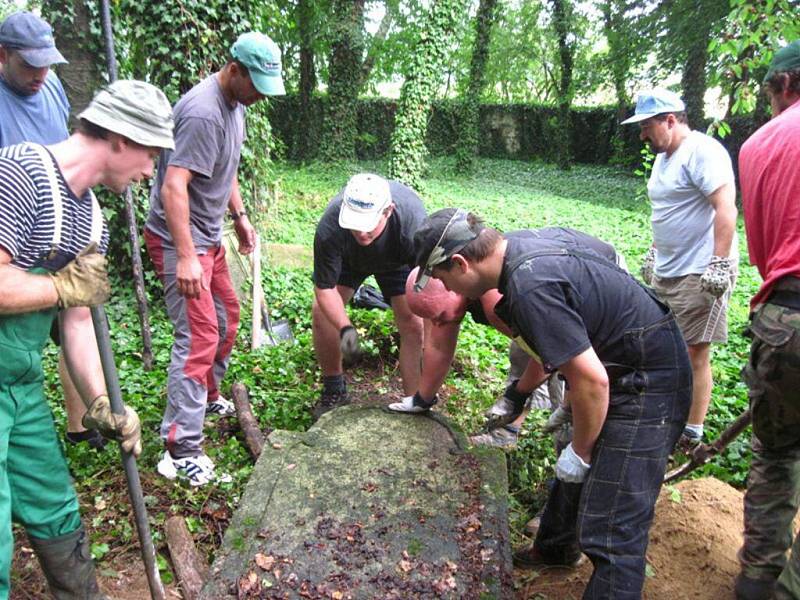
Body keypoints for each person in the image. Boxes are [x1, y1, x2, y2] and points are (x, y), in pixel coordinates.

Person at [413, 208, 691, 599]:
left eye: (444, 279)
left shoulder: (528, 286)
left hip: (648, 380)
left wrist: (580, 448)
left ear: (460, 262)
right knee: (576, 466)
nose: (452, 291)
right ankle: (556, 549)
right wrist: (527, 396)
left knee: (612, 528)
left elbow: (592, 380)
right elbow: (565, 349)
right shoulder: (518, 251)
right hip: (619, 360)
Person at [0, 79, 171, 599]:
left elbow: (76, 322)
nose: (149, 173)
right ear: (119, 138)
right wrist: (58, 284)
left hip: (20, 383)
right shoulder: (19, 172)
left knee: (53, 503)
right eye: (150, 154)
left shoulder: (89, 216)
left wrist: (99, 401)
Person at [145, 31, 285, 486]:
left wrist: (240, 218)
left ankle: (206, 395)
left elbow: (224, 170)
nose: (262, 96)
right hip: (179, 242)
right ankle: (179, 447)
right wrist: (186, 257)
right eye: (257, 84)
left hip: (210, 238)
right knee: (200, 334)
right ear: (234, 69)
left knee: (227, 315)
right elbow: (173, 185)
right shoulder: (203, 112)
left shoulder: (237, 106)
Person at [391, 227, 625, 452]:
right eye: (432, 320)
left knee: (573, 384)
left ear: (451, 286)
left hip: (601, 281)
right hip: (548, 285)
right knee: (522, 354)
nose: (438, 324)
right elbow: (439, 347)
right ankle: (510, 430)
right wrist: (422, 398)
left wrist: (518, 395)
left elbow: (551, 356)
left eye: (439, 316)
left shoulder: (501, 298)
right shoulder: (450, 283)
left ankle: (574, 450)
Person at [0, 10, 106, 450]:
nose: (41, 74)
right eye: (30, 64)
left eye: (47, 63)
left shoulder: (52, 86)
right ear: (1, 55)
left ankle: (82, 424)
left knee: (77, 321)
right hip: (11, 228)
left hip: (58, 223)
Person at [621, 88, 737, 449]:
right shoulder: (664, 157)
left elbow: (726, 208)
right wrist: (655, 252)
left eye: (646, 127)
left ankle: (691, 429)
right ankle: (662, 411)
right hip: (669, 270)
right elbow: (668, 211)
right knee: (661, 345)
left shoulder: (703, 151)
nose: (642, 135)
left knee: (693, 351)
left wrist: (717, 263)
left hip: (699, 270)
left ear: (670, 120)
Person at [734, 40, 800, 600]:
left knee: (776, 453)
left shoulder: (756, 145)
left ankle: (757, 579)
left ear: (782, 85)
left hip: (784, 315)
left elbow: (761, 251)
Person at [311, 172, 425, 418]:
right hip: (350, 260)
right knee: (322, 313)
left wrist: (419, 301)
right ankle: (334, 389)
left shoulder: (412, 224)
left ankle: (414, 400)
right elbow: (325, 288)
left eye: (369, 225)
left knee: (413, 323)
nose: (362, 233)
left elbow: (425, 277)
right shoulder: (331, 226)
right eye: (355, 224)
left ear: (388, 211)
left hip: (398, 261)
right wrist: (345, 328)